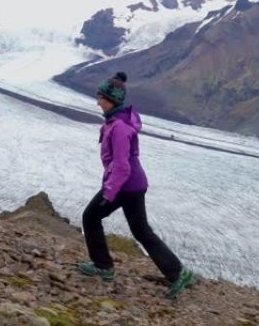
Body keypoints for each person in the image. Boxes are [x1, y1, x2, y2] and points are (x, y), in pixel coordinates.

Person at [77, 71, 198, 299]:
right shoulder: (118, 121)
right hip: (134, 184)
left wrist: (109, 192)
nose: (97, 101)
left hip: (125, 184)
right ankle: (178, 273)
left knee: (91, 217)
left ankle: (103, 266)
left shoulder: (119, 127)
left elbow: (122, 166)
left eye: (100, 97)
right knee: (142, 231)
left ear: (109, 99)